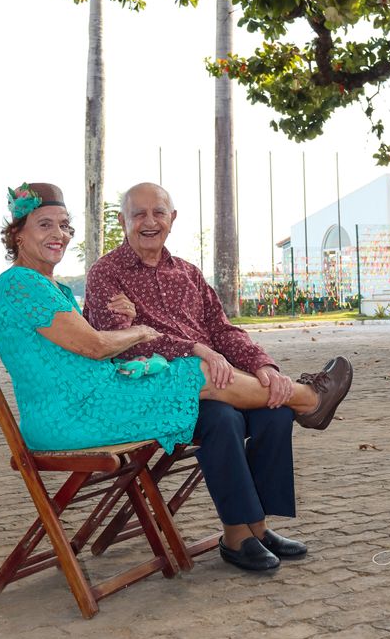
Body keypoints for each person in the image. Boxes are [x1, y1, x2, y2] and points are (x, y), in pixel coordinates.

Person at [84, 182, 353, 572]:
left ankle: (258, 527)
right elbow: (120, 345)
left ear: (172, 219)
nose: (149, 221)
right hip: (158, 394)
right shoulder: (105, 274)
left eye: (158, 212)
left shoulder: (188, 273)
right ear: (124, 221)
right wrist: (195, 349)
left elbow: (223, 330)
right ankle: (236, 535)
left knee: (276, 412)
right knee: (223, 419)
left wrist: (263, 366)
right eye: (138, 214)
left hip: (219, 381)